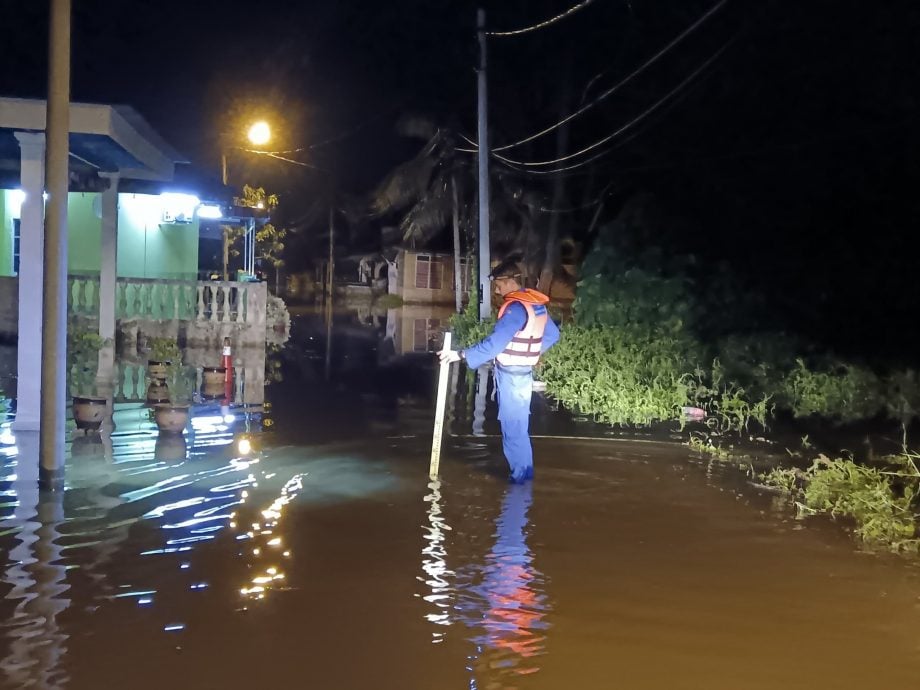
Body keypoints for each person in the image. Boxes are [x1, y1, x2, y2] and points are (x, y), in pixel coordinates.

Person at [438, 259, 560, 482]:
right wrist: (531, 352)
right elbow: (552, 335)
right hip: (524, 376)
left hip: (512, 379)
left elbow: (495, 345)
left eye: (498, 284)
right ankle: (524, 476)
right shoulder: (535, 305)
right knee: (519, 429)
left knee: (513, 431)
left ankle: (520, 483)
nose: (496, 289)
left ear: (511, 281)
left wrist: (460, 354)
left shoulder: (515, 308)